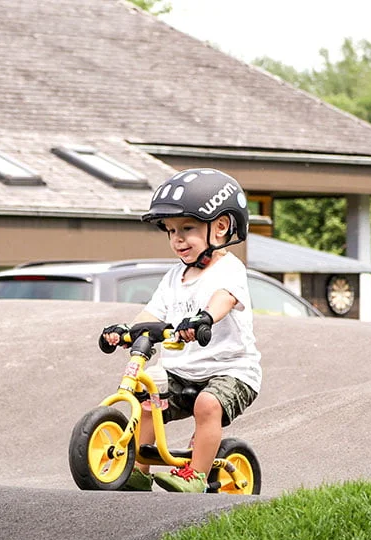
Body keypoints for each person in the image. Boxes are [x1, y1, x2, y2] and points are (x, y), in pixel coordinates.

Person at [101, 168, 262, 493]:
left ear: (220, 227)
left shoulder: (229, 269)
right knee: (147, 398)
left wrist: (204, 319)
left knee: (207, 405)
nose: (177, 239)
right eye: (171, 231)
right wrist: (127, 330)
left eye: (187, 228)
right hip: (181, 371)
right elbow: (153, 311)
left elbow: (224, 298)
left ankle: (196, 475)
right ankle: (137, 472)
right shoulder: (175, 276)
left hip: (231, 371)